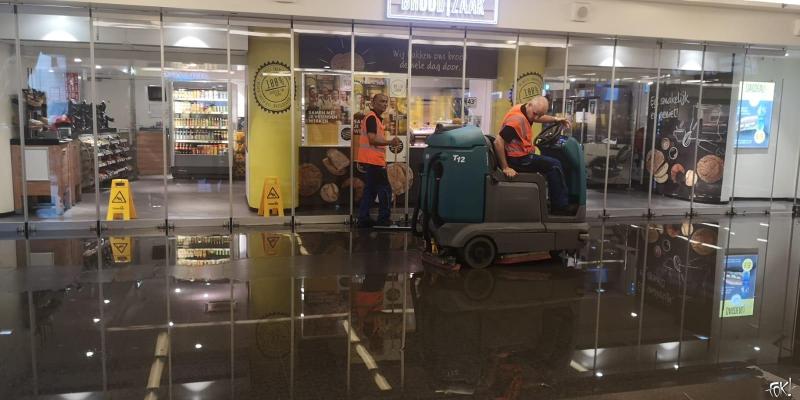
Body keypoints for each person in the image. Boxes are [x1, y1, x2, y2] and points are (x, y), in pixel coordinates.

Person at [493, 95, 576, 216]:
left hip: (521, 155)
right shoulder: (517, 119)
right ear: (530, 105)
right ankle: (560, 206)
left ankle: (552, 200)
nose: (536, 118)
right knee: (555, 164)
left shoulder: (524, 109)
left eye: (539, 115)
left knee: (550, 162)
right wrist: (506, 167)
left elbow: (537, 118)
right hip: (518, 159)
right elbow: (498, 142)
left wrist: (555, 119)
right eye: (535, 114)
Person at [357, 93, 401, 228]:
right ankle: (383, 220)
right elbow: (372, 139)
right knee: (385, 190)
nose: (385, 104)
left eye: (386, 102)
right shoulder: (371, 118)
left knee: (370, 191)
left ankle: (363, 219)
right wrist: (390, 142)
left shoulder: (375, 118)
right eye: (382, 101)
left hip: (372, 161)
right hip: (373, 161)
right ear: (373, 103)